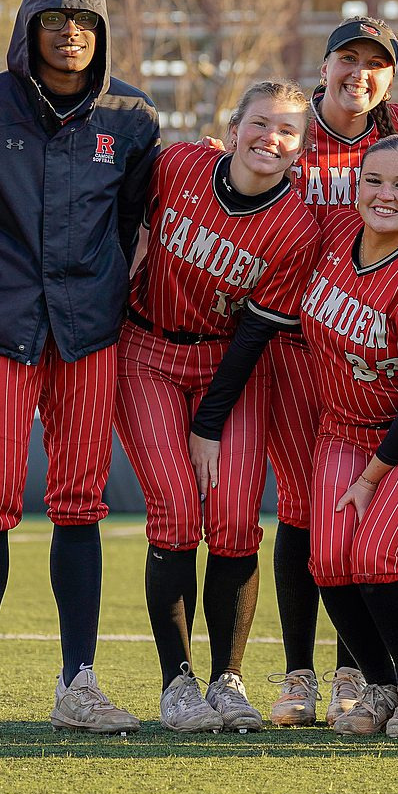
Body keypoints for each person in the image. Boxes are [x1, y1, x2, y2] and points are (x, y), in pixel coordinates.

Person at [0, 0, 158, 737]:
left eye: (86, 22)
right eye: (55, 20)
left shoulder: (130, 115)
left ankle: (78, 683)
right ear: (28, 28)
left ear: (102, 33)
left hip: (89, 328)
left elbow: (131, 217)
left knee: (80, 501)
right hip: (2, 324)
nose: (71, 33)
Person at [122, 80, 320, 733]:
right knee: (177, 512)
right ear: (232, 129)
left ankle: (227, 678)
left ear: (300, 147)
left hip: (228, 363)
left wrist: (210, 424)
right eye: (260, 123)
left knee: (234, 518)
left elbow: (257, 332)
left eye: (287, 130)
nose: (271, 138)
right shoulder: (179, 165)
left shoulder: (295, 226)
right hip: (146, 347)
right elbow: (122, 215)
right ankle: (177, 681)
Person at [266, 17, 398, 729]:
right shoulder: (292, 125)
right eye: (348, 59)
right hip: (295, 344)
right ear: (323, 66)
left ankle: (356, 669)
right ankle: (299, 671)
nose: (361, 73)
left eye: (376, 63)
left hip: (377, 349)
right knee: (303, 512)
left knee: (364, 522)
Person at [294, 135, 398, 738]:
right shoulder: (339, 235)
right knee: (329, 563)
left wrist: (372, 476)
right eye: (374, 181)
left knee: (374, 555)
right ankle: (380, 685)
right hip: (342, 429)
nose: (384, 195)